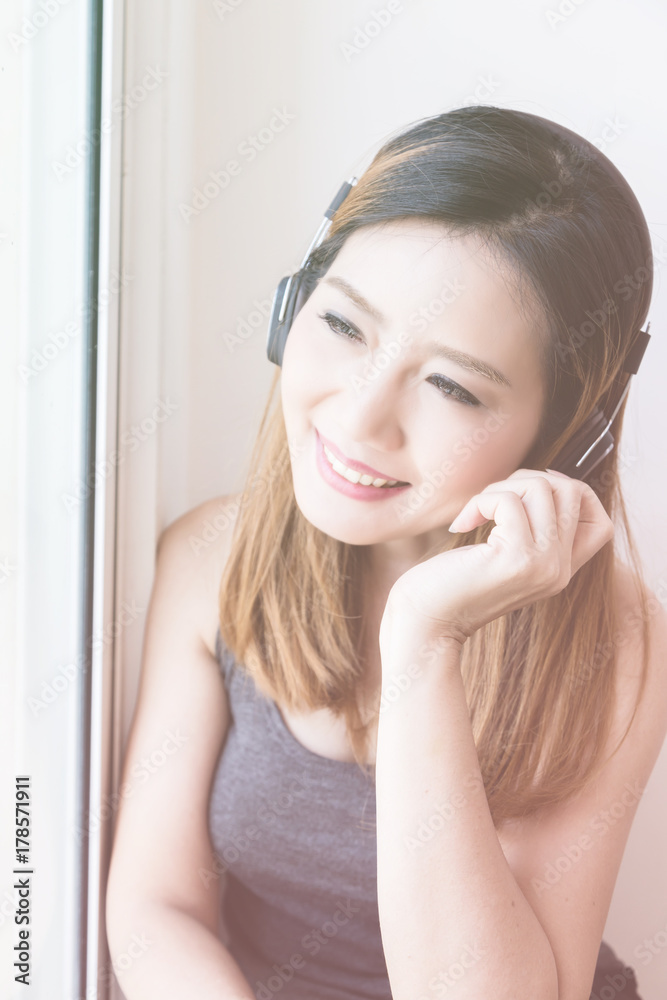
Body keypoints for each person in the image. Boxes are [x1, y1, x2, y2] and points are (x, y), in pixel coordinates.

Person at [105, 105, 667, 1000]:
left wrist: (423, 642)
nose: (359, 420)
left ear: (567, 434)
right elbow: (155, 907)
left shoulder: (617, 644)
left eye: (449, 385)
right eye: (344, 326)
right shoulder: (211, 557)